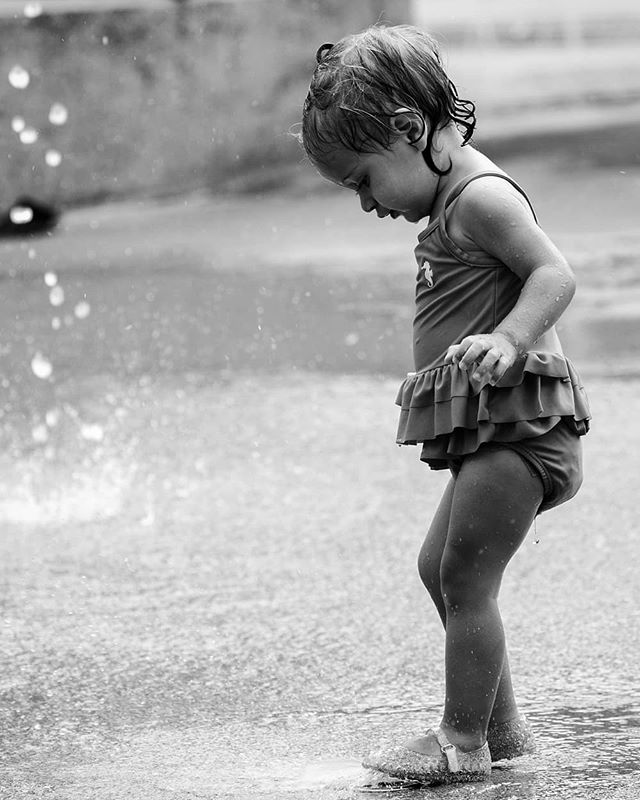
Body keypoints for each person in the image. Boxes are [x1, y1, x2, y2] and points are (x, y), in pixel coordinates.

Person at [298, 24, 591, 787]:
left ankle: (462, 741)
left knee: (465, 576)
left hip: (521, 426)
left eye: (365, 180)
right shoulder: (447, 204)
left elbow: (554, 275)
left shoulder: (482, 197)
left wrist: (511, 338)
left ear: (409, 132)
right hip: (494, 426)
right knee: (441, 568)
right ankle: (505, 731)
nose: (365, 203)